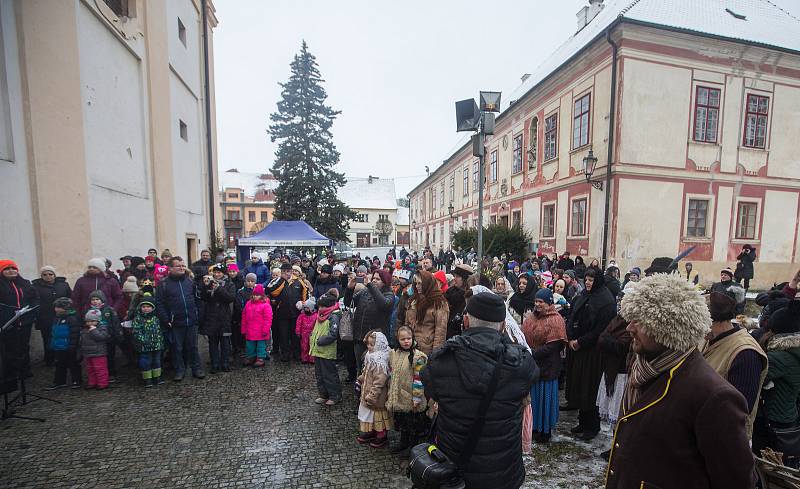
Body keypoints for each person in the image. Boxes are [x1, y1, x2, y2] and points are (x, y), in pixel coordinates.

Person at [606, 273, 755, 489]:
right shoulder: (643, 369)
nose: (629, 328)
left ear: (665, 325)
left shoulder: (713, 396)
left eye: (638, 321)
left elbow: (736, 482)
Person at [422, 292, 537, 489]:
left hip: (456, 470)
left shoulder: (441, 361)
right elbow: (531, 379)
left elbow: (430, 389)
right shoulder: (522, 364)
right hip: (504, 472)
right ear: (502, 326)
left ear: (465, 321)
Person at [700, 290, 767, 439]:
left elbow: (739, 410)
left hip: (727, 442)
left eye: (698, 319)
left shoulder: (745, 353)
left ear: (711, 319)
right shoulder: (707, 338)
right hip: (703, 434)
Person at [564, 267, 616, 440]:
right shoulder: (584, 295)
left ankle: (591, 426)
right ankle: (582, 421)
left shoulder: (605, 300)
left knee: (589, 387)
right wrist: (571, 337)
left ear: (598, 281)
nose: (587, 282)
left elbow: (601, 328)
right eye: (586, 279)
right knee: (578, 385)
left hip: (592, 352)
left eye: (591, 280)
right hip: (577, 348)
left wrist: (581, 341)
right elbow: (572, 317)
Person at [521, 288, 567, 444]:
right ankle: (534, 427)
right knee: (534, 400)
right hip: (534, 365)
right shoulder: (532, 318)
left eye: (541, 301)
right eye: (536, 301)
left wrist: (533, 352)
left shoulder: (556, 319)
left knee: (545, 399)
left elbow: (554, 346)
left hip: (548, 366)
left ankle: (545, 430)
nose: (537, 304)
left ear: (549, 303)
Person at [155, 257, 204, 381]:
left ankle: (196, 368)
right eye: (178, 266)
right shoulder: (164, 284)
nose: (182, 268)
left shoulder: (190, 282)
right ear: (171, 268)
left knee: (193, 346)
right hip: (175, 322)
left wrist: (198, 315)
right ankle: (179, 370)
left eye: (183, 265)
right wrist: (166, 320)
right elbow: (159, 304)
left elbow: (197, 299)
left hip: (191, 320)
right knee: (177, 348)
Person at [386, 325, 428, 454]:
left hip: (411, 397)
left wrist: (416, 397)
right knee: (403, 423)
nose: (406, 341)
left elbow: (419, 378)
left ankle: (413, 447)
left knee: (413, 425)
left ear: (412, 338)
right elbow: (392, 371)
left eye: (408, 338)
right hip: (399, 396)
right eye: (403, 339)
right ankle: (403, 443)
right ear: (398, 339)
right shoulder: (394, 353)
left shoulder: (418, 357)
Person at [344, 269, 394, 374]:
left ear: (385, 281)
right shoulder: (365, 292)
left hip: (375, 339)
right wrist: (349, 288)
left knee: (374, 370)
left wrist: (370, 286)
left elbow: (384, 304)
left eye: (378, 279)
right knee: (361, 368)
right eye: (373, 278)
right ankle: (360, 389)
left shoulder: (389, 294)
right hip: (360, 337)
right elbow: (349, 302)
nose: (374, 280)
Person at [356, 331, 393, 448]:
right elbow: (367, 372)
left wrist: (372, 395)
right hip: (368, 390)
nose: (369, 347)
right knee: (369, 414)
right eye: (368, 344)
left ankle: (381, 435)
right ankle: (372, 431)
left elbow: (379, 382)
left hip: (378, 396)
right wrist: (361, 379)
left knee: (378, 416)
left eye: (372, 345)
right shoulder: (370, 356)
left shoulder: (380, 361)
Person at [267, 263, 308, 362]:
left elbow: (305, 294)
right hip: (282, 313)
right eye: (284, 271)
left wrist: (303, 304)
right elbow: (271, 291)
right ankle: (285, 354)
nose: (286, 273)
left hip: (295, 313)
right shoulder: (277, 280)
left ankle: (296, 354)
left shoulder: (299, 281)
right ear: (281, 272)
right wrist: (282, 280)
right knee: (283, 335)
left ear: (292, 271)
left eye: (288, 271)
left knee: (295, 335)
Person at [32, 265, 71, 367]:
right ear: (41, 276)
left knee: (62, 336)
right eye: (45, 275)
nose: (48, 277)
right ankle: (49, 359)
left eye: (50, 274)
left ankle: (62, 358)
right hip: (45, 317)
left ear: (54, 275)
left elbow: (70, 297)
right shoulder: (36, 287)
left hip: (62, 316)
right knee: (47, 339)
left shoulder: (63, 285)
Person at [200, 263, 236, 373]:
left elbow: (230, 298)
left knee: (225, 343)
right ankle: (214, 364)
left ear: (223, 273)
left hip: (224, 317)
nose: (217, 274)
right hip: (211, 316)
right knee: (212, 343)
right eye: (215, 272)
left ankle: (225, 363)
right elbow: (203, 297)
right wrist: (205, 286)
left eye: (219, 272)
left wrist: (219, 288)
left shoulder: (229, 284)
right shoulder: (209, 282)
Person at [403, 270, 448, 356]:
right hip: (410, 346)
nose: (417, 286)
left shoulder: (439, 302)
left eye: (420, 283)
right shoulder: (413, 300)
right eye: (416, 283)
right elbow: (407, 323)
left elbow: (440, 331)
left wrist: (436, 354)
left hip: (427, 350)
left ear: (427, 283)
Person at [310, 290, 341, 406]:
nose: (320, 308)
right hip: (318, 350)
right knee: (319, 374)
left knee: (329, 374)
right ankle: (323, 394)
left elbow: (333, 334)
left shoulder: (333, 316)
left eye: (323, 306)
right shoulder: (320, 315)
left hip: (327, 351)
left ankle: (335, 395)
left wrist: (321, 340)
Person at [44, 297, 81, 390]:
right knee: (59, 364)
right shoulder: (56, 318)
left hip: (69, 346)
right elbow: (53, 333)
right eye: (56, 307)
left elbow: (74, 333)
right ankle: (59, 381)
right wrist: (52, 343)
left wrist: (73, 346)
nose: (56, 309)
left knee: (73, 364)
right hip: (59, 346)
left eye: (58, 307)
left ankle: (76, 380)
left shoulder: (72, 319)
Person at [130, 293, 164, 387]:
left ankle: (157, 377)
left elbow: (159, 331)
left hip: (156, 345)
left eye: (148, 306)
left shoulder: (156, 318)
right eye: (144, 306)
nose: (146, 308)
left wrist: (160, 341)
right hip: (144, 346)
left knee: (157, 361)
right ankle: (147, 379)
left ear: (152, 308)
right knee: (146, 362)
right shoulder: (138, 319)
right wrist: (143, 340)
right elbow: (136, 332)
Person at [87, 291, 122, 382]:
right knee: (99, 358)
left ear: (102, 300)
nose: (95, 301)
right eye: (93, 299)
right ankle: (100, 376)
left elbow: (115, 323)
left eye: (97, 299)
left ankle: (111, 374)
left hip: (109, 337)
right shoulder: (89, 311)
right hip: (96, 340)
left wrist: (117, 335)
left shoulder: (109, 310)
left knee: (110, 357)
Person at [240, 284, 273, 367]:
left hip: (261, 330)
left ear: (262, 296)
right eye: (254, 295)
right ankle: (251, 357)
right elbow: (244, 316)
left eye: (257, 295)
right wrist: (243, 328)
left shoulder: (265, 306)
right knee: (250, 345)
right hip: (250, 329)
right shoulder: (248, 304)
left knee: (261, 345)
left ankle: (260, 358)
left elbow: (268, 319)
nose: (255, 297)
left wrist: (266, 330)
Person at [81, 309, 110, 390]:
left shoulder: (102, 327)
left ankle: (102, 383)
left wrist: (94, 330)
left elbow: (102, 337)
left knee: (100, 369)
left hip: (99, 353)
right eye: (88, 321)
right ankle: (92, 382)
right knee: (90, 369)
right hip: (88, 353)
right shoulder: (84, 329)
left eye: (92, 321)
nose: (90, 323)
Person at [232, 273, 257, 360]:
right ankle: (244, 350)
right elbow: (238, 305)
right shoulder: (241, 292)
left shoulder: (257, 291)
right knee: (243, 335)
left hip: (256, 318)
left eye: (252, 281)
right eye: (248, 281)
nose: (250, 283)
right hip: (244, 317)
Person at [444, 264, 471, 339]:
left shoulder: (471, 296)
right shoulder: (450, 292)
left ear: (465, 279)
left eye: (458, 276)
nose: (454, 279)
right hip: (448, 333)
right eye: (454, 276)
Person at [295, 297, 317, 364]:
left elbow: (317, 325)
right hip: (304, 334)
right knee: (304, 347)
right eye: (305, 308)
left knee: (312, 346)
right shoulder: (302, 315)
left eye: (307, 308)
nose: (305, 309)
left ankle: (312, 359)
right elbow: (298, 324)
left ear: (311, 308)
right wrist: (298, 332)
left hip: (312, 334)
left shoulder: (316, 315)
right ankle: (304, 358)